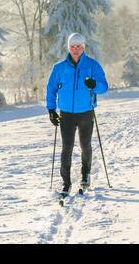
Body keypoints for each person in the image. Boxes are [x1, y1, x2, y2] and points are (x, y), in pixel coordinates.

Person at [46, 33, 109, 196]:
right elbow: (51, 89)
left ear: (83, 47)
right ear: (68, 47)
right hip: (66, 114)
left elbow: (103, 87)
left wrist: (94, 84)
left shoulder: (92, 65)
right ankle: (66, 182)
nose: (75, 49)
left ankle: (85, 174)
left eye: (78, 46)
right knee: (66, 148)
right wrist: (51, 110)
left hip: (86, 112)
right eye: (73, 46)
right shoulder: (59, 68)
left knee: (85, 145)